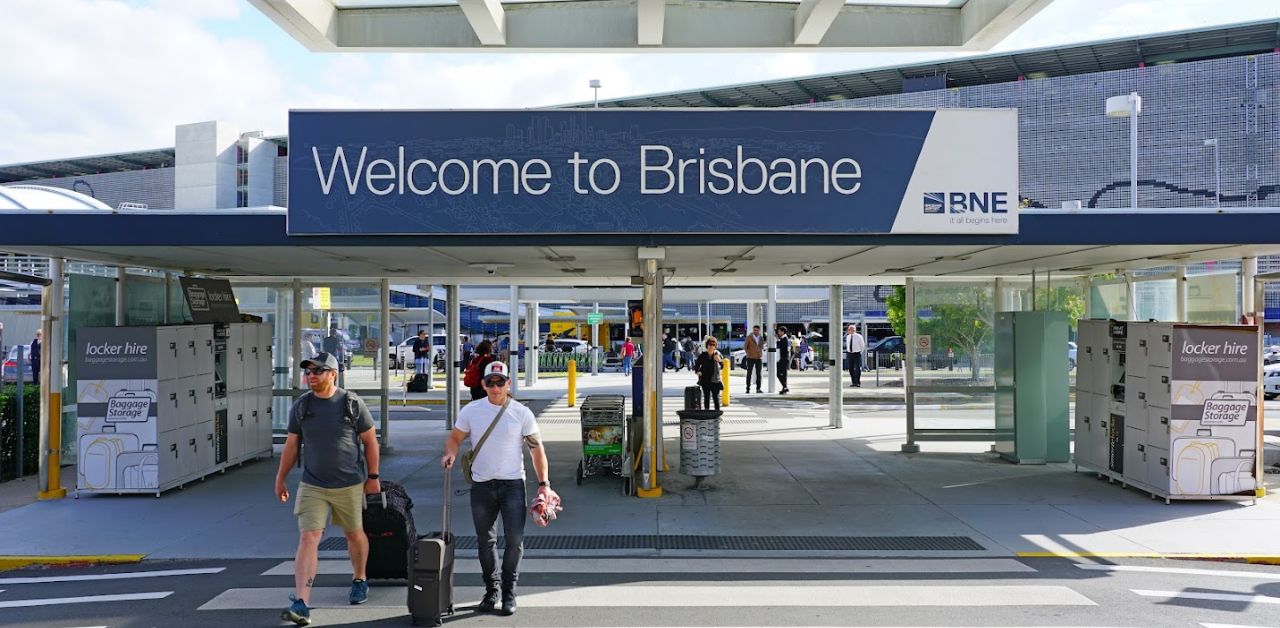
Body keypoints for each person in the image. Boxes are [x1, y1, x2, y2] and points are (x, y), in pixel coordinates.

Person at [275, 352, 380, 627]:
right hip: (313, 483)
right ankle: (301, 602)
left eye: (318, 371)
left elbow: (370, 442)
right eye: (308, 371)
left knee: (354, 534)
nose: (311, 375)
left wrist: (373, 477)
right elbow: (291, 445)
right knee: (308, 538)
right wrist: (280, 478)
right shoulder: (302, 406)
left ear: (332, 374)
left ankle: (360, 578)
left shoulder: (351, 403)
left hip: (349, 484)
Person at [441, 361, 551, 617]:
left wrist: (544, 484)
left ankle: (509, 592)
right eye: (490, 382)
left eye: (500, 382)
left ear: (508, 384)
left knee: (514, 540)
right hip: (482, 486)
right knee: (485, 541)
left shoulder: (521, 413)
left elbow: (536, 450)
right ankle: (492, 590)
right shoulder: (472, 410)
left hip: (513, 485)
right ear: (483, 384)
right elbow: (455, 438)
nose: (495, 387)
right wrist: (450, 453)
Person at [693, 336, 724, 410]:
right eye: (710, 344)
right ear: (707, 346)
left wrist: (719, 361)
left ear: (715, 346)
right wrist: (698, 372)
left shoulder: (717, 355)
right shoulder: (703, 355)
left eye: (714, 345)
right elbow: (696, 366)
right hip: (705, 380)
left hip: (715, 380)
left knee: (716, 398)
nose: (711, 346)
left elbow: (722, 366)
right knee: (706, 397)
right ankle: (707, 414)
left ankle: (717, 415)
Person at [743, 325, 763, 394]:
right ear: (753, 330)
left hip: (758, 358)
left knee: (759, 374)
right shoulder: (749, 337)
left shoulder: (761, 338)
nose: (756, 331)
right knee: (749, 373)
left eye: (757, 330)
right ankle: (747, 388)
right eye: (754, 330)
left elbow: (762, 346)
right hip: (750, 358)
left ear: (759, 330)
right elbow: (745, 347)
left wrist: (760, 353)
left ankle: (758, 388)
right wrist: (748, 353)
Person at [775, 326, 790, 395]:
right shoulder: (783, 338)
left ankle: (785, 386)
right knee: (783, 375)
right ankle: (784, 388)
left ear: (783, 332)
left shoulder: (785, 339)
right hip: (782, 359)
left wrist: (777, 339)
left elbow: (780, 345)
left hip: (783, 359)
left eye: (779, 331)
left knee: (778, 374)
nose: (778, 332)